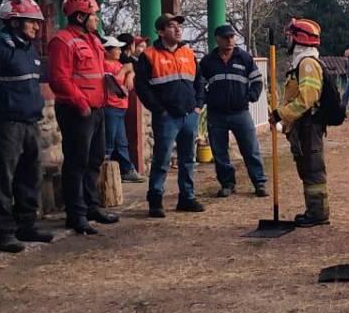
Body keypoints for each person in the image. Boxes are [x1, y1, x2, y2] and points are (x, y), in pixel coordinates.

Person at [0, 0, 56, 253]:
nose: (37, 27)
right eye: (31, 22)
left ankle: (26, 225)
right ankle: (3, 232)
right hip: (5, 126)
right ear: (14, 22)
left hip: (30, 124)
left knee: (30, 175)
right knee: (2, 179)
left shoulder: (29, 50)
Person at [47, 0, 119, 234]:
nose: (97, 19)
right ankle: (75, 214)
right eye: (93, 15)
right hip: (76, 111)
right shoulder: (62, 41)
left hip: (97, 109)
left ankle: (91, 207)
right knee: (76, 162)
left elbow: (97, 73)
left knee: (95, 159)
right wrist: (82, 104)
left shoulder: (93, 40)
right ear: (80, 16)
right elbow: (59, 79)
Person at [135, 13, 206, 218]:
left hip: (189, 115)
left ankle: (187, 197)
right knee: (162, 158)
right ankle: (155, 200)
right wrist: (160, 110)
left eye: (179, 26)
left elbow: (199, 81)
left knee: (188, 159)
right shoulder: (149, 55)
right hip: (166, 117)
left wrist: (198, 105)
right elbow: (142, 87)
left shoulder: (188, 53)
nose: (178, 29)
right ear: (160, 31)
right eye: (172, 26)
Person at [272, 18, 331, 226]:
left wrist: (281, 114)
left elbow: (307, 99)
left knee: (312, 168)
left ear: (299, 38)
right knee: (306, 167)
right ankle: (313, 210)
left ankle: (318, 213)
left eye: (290, 36)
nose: (287, 40)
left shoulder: (307, 64)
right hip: (303, 125)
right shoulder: (301, 62)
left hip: (309, 125)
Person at [201, 24, 267, 199]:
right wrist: (206, 99)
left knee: (251, 149)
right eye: (226, 38)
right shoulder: (207, 62)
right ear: (217, 39)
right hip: (216, 114)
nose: (230, 41)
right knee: (220, 153)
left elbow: (257, 81)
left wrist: (251, 96)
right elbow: (199, 84)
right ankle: (227, 184)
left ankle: (259, 183)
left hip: (240, 113)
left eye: (232, 37)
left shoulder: (244, 58)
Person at [101, 35, 143, 183]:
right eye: (116, 48)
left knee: (122, 142)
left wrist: (130, 73)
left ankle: (127, 170)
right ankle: (102, 173)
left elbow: (131, 68)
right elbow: (112, 83)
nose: (120, 51)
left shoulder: (118, 63)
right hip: (110, 106)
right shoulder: (104, 64)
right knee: (109, 142)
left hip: (120, 107)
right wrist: (125, 71)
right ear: (107, 51)